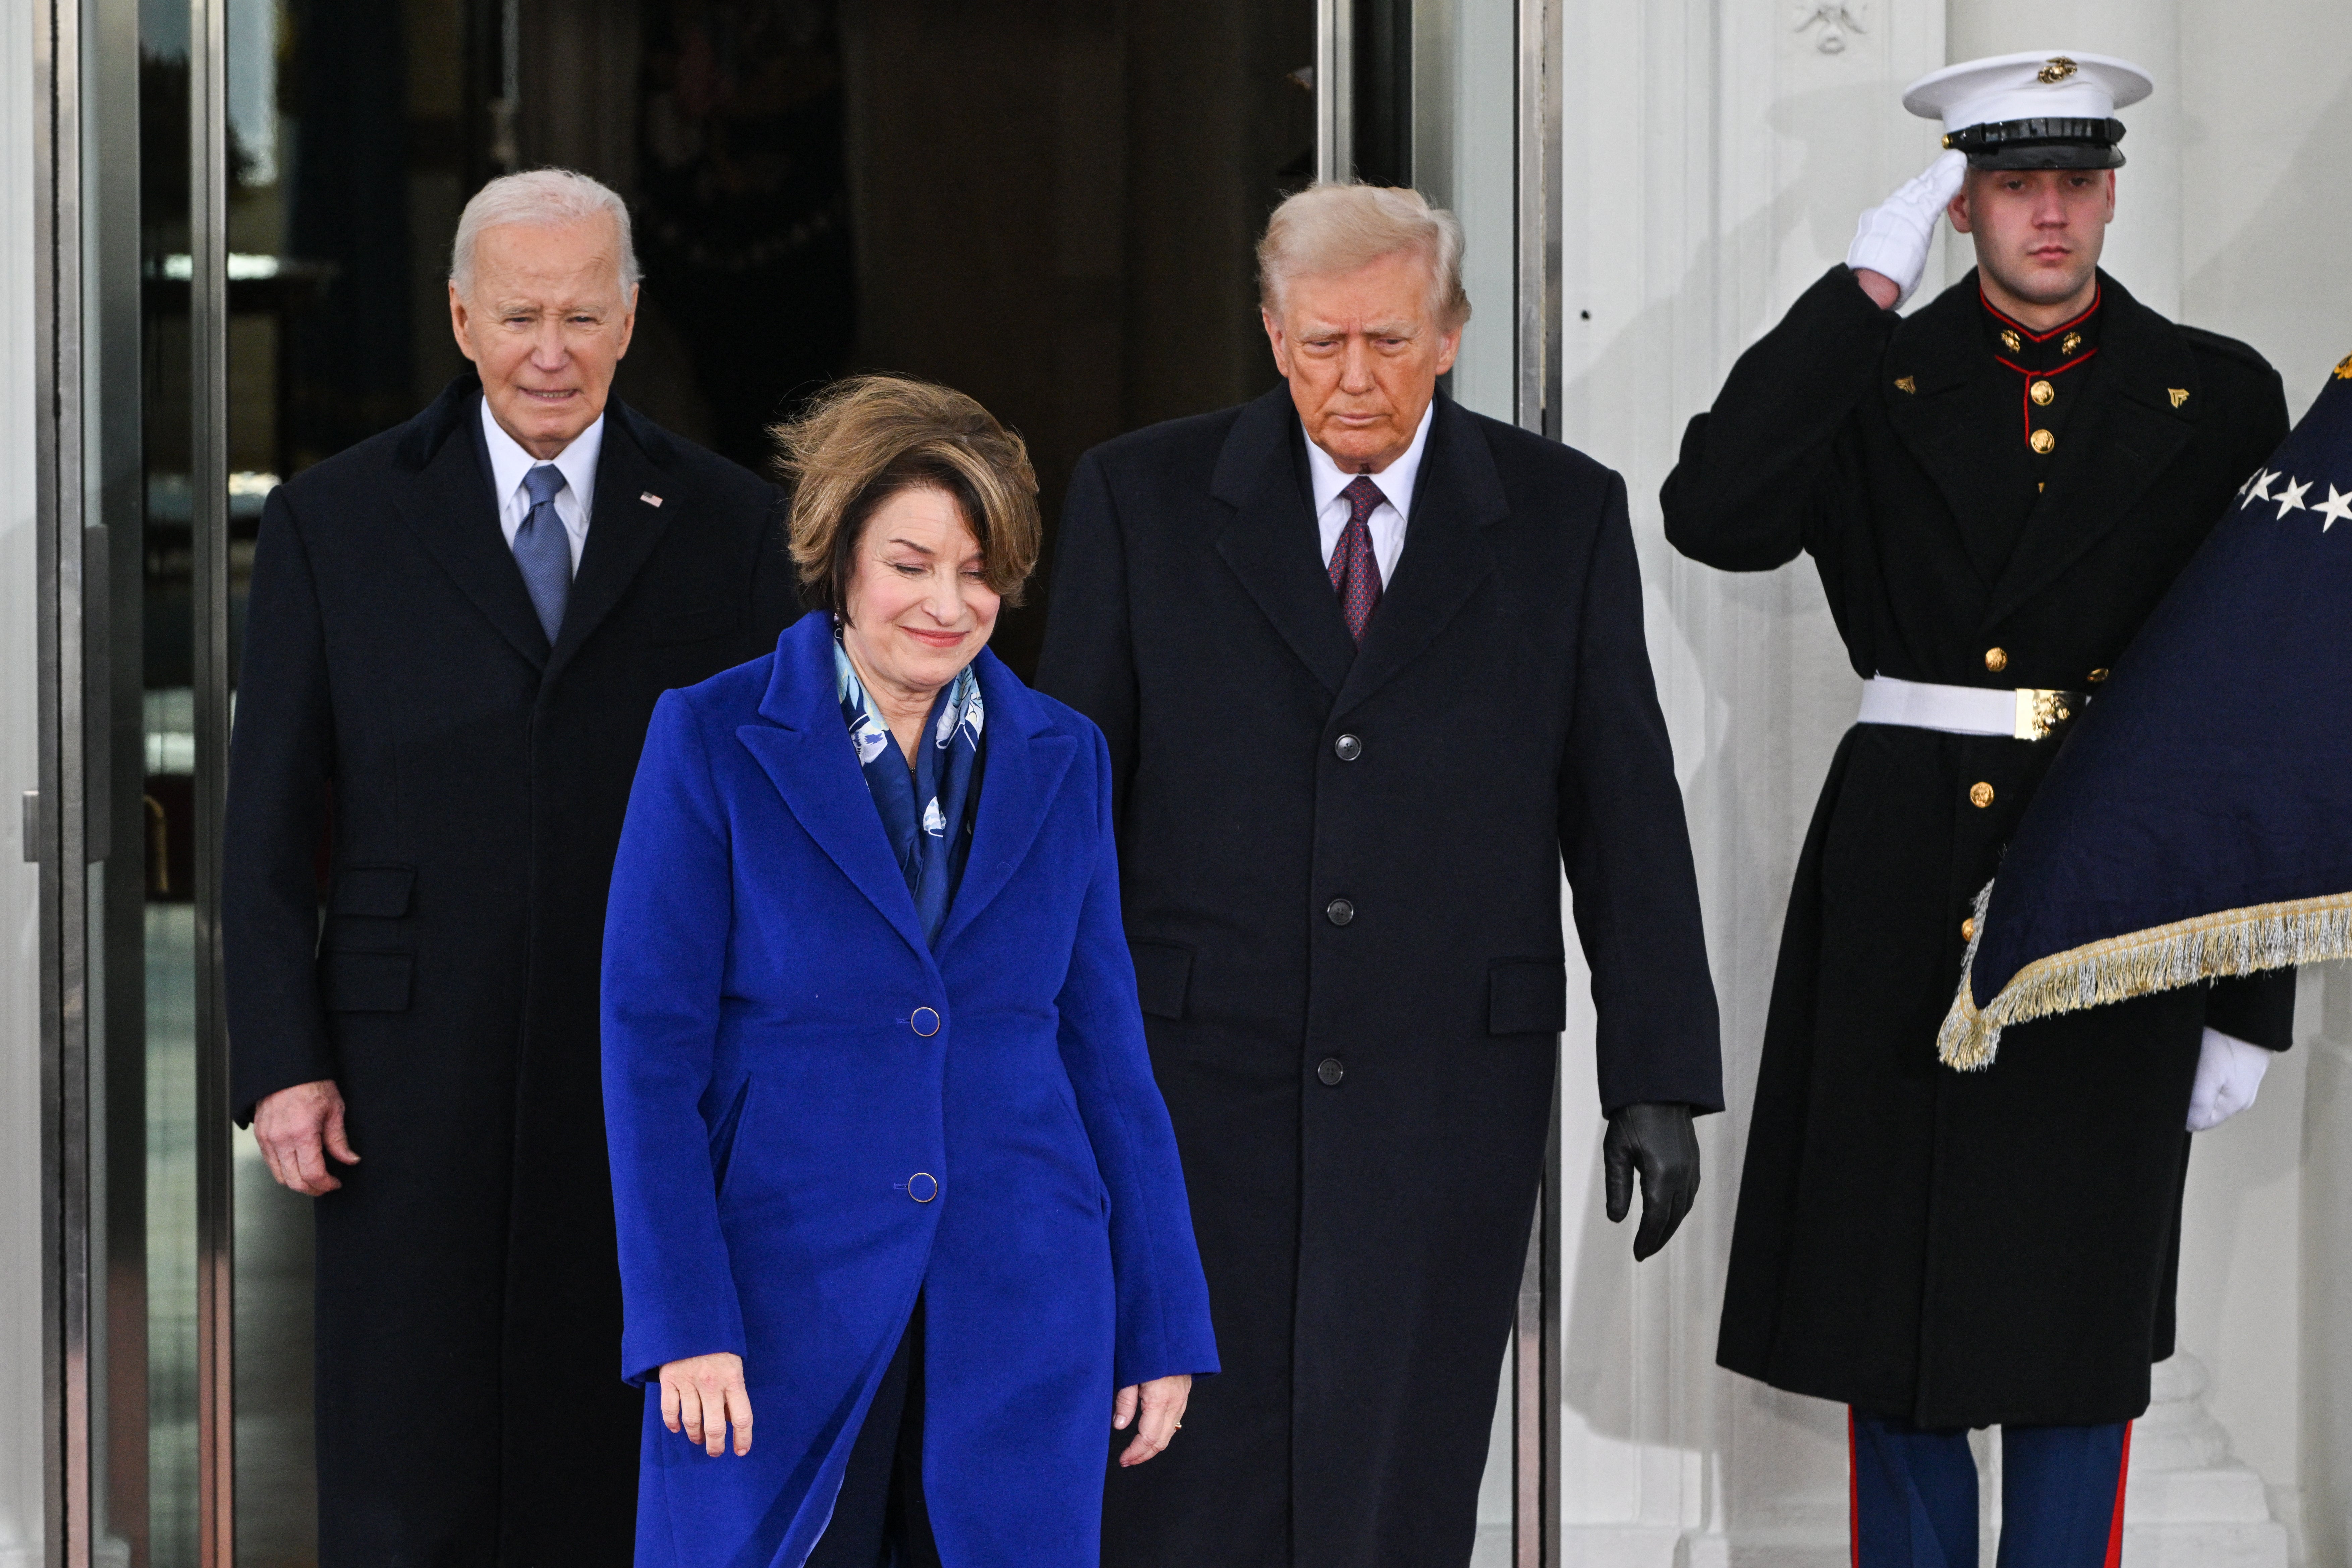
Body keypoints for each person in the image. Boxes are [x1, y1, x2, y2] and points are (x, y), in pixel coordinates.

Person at [1661, 53, 2297, 1567]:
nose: (2052, 214)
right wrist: (1852, 296)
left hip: (2113, 879)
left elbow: (2259, 695)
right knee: (1902, 1317)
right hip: (1902, 877)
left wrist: (2242, 994)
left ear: (2112, 190)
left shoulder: (2211, 393)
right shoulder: (1869, 377)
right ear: (1959, 204)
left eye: (2076, 181)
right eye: (2014, 183)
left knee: (2078, 1318)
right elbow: (1715, 513)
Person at [1036, 182, 1723, 1567]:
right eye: (1321, 343)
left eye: (1390, 344)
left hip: (1441, 1085)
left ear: (1453, 332)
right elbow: (1068, 810)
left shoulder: (1558, 517)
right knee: (1180, 1463)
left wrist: (1653, 1072)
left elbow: (1622, 807)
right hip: (1187, 1077)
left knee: (1397, 1470)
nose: (1354, 379)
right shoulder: (1139, 498)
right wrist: (1034, 1066)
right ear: (1273, 333)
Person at [223, 168, 797, 1564]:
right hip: (404, 1047)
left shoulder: (730, 522)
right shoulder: (333, 517)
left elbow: (777, 807)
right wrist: (280, 1055)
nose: (552, 349)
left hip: (647, 1042)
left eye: (584, 315)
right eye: (522, 315)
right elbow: (266, 812)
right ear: (462, 318)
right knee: (404, 1425)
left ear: (631, 318)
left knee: (609, 1400)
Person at [600, 375, 1218, 1568]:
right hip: (780, 1302)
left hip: (1025, 1301)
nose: (948, 603)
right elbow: (647, 1056)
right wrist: (684, 1319)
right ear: (839, 558)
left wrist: (1163, 1314)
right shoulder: (712, 739)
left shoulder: (1065, 755)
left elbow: (1106, 1055)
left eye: (979, 570)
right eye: (911, 563)